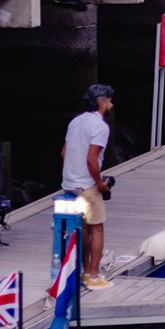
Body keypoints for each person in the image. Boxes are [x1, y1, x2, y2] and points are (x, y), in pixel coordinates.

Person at [61, 83, 116, 289]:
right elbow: (92, 159)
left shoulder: (75, 122)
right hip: (87, 186)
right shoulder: (100, 126)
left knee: (83, 229)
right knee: (97, 228)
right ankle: (93, 276)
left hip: (69, 184)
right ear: (102, 103)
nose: (111, 105)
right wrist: (100, 184)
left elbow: (64, 153)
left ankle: (84, 270)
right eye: (109, 101)